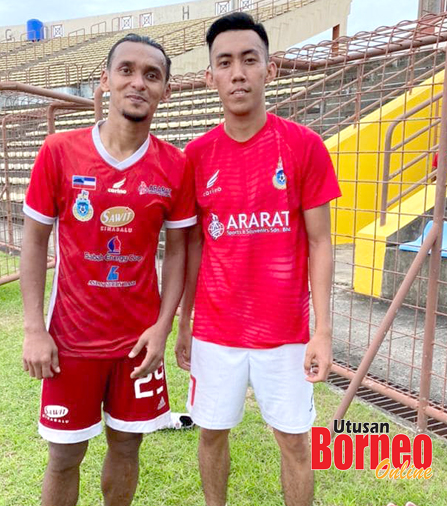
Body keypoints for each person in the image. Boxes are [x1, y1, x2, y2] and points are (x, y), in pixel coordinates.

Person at [20, 33, 195, 506]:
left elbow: (178, 251)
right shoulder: (59, 151)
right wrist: (35, 329)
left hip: (137, 342)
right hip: (70, 341)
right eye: (127, 71)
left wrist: (163, 329)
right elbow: (34, 239)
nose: (138, 82)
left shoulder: (176, 166)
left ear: (166, 90)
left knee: (126, 445)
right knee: (63, 456)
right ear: (105, 81)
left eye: (152, 75)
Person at [175, 13, 341, 506]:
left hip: (286, 333)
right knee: (210, 435)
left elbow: (321, 242)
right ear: (210, 77)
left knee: (293, 441)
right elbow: (194, 246)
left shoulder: (304, 146)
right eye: (224, 63)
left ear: (270, 69)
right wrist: (185, 322)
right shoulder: (196, 156)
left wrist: (323, 330)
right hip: (215, 331)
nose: (238, 72)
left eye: (250, 60)